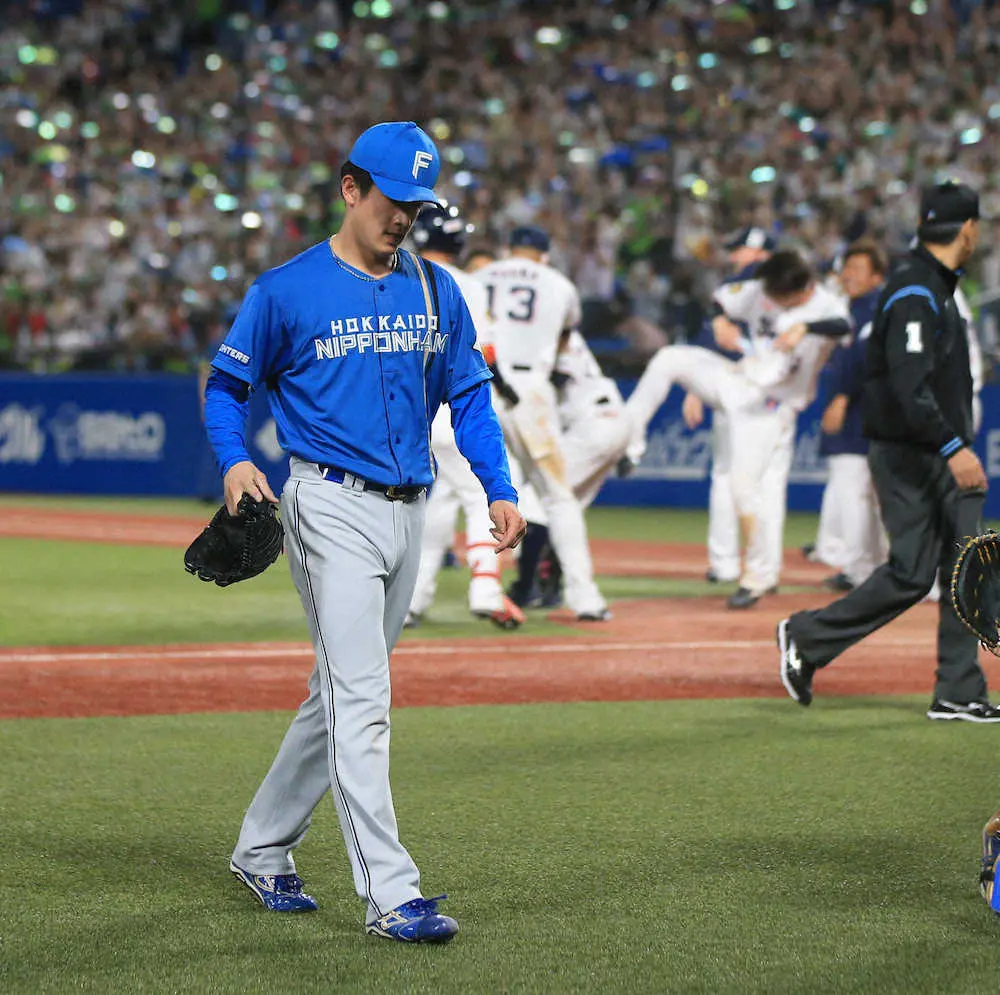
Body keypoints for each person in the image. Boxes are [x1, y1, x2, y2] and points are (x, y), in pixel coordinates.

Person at [202, 121, 527, 940]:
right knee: (364, 698)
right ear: (351, 188)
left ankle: (262, 847)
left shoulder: (434, 286)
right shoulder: (287, 289)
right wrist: (235, 460)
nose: (404, 219)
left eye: (417, 206)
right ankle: (391, 892)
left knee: (337, 694)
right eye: (392, 201)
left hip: (408, 507)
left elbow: (472, 396)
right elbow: (224, 386)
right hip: (328, 503)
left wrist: (498, 484)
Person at [778, 181, 1000, 723]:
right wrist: (954, 447)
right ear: (967, 229)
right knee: (910, 573)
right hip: (917, 453)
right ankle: (806, 635)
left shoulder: (932, 287)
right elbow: (908, 383)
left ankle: (958, 690)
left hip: (933, 449)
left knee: (964, 568)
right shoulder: (915, 292)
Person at [625, 250, 850, 609]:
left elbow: (844, 326)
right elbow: (720, 299)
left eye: (779, 297)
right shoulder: (761, 286)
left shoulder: (825, 304)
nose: (769, 300)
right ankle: (630, 442)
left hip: (771, 408)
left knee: (745, 490)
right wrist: (719, 322)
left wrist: (806, 327)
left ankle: (758, 577)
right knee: (669, 358)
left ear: (802, 289)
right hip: (739, 379)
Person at [477, 227, 611, 621]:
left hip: (480, 384)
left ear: (507, 248)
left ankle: (424, 599)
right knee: (558, 496)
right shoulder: (559, 283)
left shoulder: (481, 277)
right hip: (530, 391)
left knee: (459, 494)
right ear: (544, 254)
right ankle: (585, 598)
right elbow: (564, 338)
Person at [405, 204, 524, 629]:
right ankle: (487, 589)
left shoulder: (402, 276)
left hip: (410, 413)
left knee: (435, 505)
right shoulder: (468, 284)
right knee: (480, 497)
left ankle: (413, 599)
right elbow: (484, 352)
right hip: (455, 410)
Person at [507, 329, 632, 608]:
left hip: (592, 425)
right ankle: (550, 585)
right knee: (565, 510)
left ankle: (526, 587)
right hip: (613, 422)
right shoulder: (564, 335)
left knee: (539, 501)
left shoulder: (553, 338)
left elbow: (557, 377)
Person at [682, 225, 776, 585]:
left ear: (758, 253)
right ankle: (765, 568)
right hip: (774, 391)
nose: (734, 255)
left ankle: (726, 564)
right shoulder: (790, 289)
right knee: (766, 481)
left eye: (741, 249)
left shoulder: (736, 291)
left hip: (737, 386)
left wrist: (695, 386)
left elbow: (714, 338)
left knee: (726, 476)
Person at [814, 239, 890, 592]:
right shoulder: (854, 308)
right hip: (865, 410)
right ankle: (872, 566)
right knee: (864, 492)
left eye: (858, 269)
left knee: (853, 489)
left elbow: (867, 359)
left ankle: (862, 569)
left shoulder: (873, 308)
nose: (849, 275)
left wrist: (842, 398)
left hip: (863, 412)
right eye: (847, 268)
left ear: (877, 276)